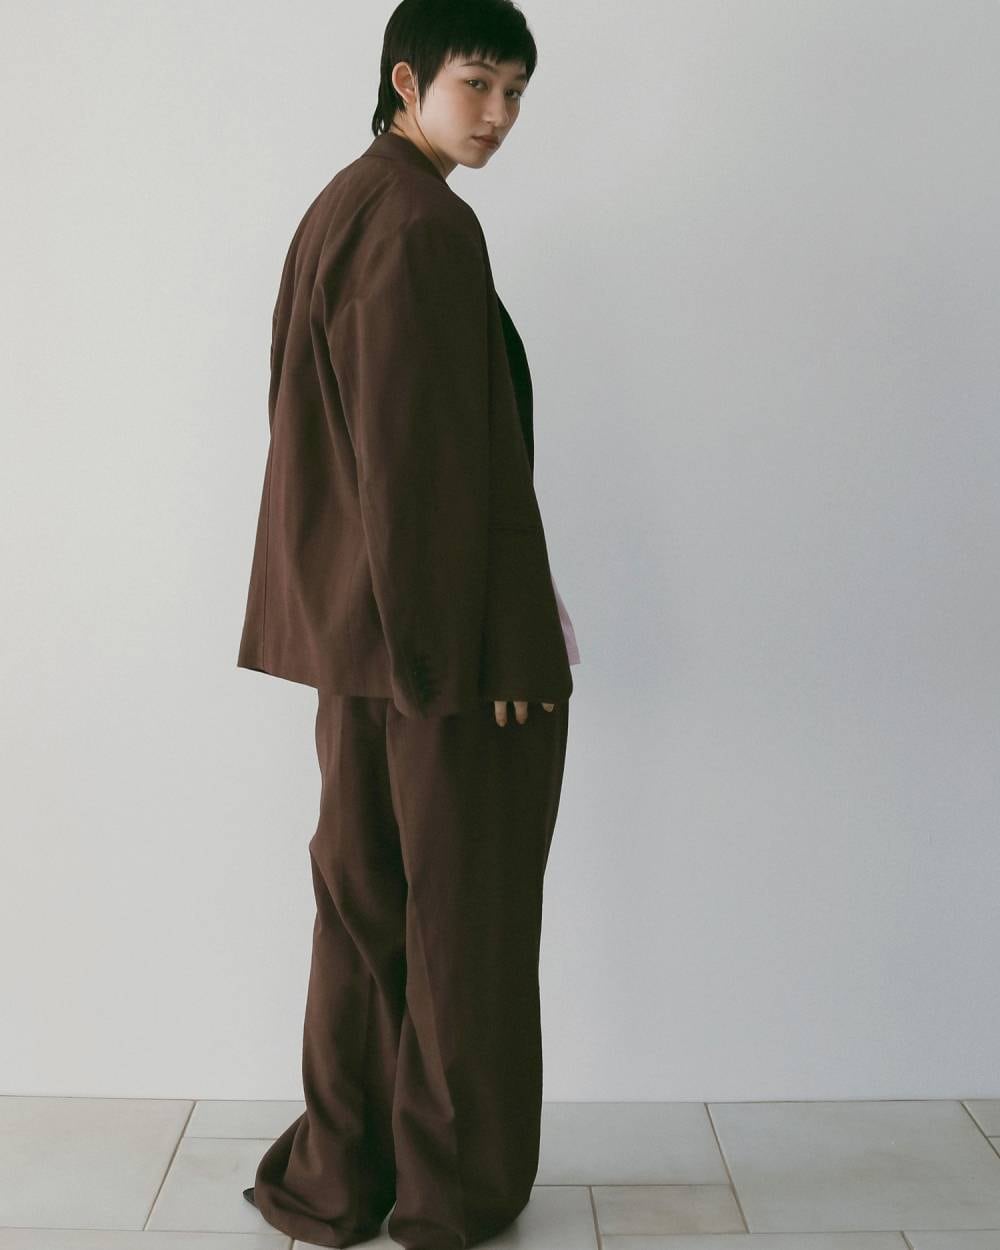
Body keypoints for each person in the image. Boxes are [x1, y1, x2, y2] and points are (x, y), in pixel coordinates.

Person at [236, 1, 579, 1245]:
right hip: (440, 657)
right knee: (459, 918)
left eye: (516, 93)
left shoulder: (344, 205)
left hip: (361, 643)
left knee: (366, 910)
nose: (500, 115)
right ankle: (451, 1190)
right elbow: (418, 466)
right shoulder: (425, 223)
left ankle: (345, 1172)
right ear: (405, 79)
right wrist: (487, 649)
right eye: (478, 83)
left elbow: (337, 443)